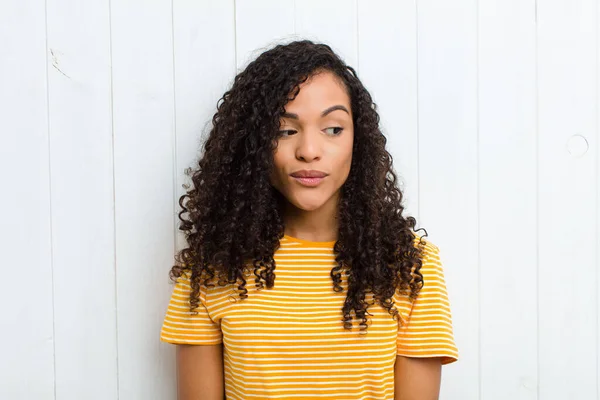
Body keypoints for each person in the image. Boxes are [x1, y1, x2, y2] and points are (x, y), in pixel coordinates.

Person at [160, 39, 458, 400]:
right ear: (254, 145)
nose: (309, 151)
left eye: (333, 129)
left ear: (357, 140)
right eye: (285, 130)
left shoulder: (410, 265)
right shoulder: (213, 266)